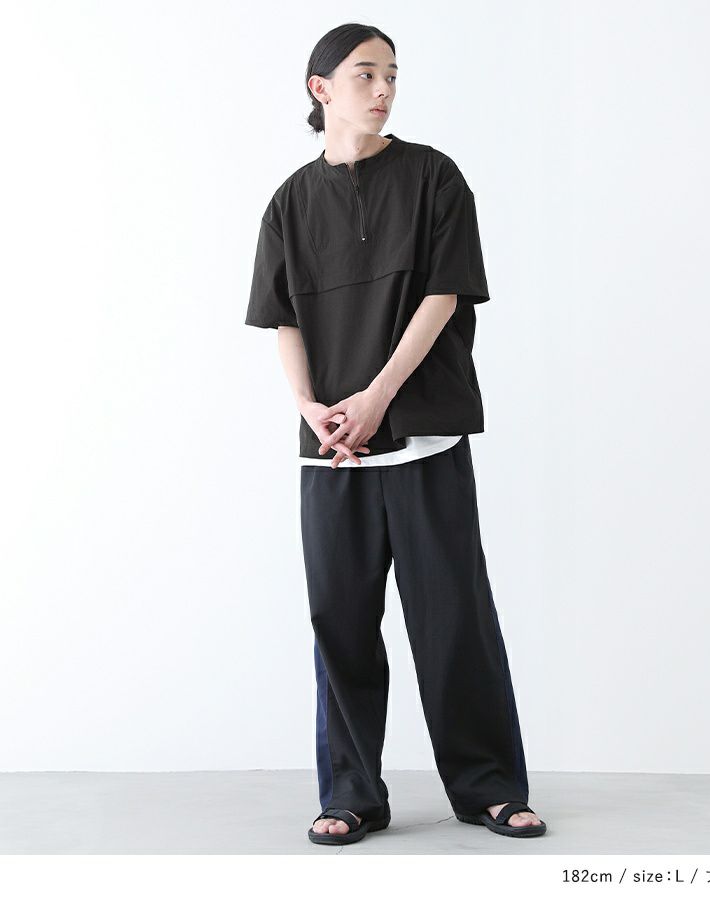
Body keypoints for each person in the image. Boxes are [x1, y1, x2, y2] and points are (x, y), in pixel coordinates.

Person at [245, 22, 548, 846]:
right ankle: (350, 793)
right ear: (320, 88)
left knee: (454, 619)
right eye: (365, 74)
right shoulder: (289, 203)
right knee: (339, 622)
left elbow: (443, 296)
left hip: (422, 434)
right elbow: (282, 320)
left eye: (391, 74)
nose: (383, 89)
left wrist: (378, 397)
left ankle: (488, 786)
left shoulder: (434, 178)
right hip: (332, 448)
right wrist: (310, 407)